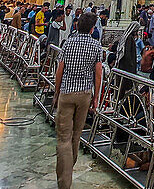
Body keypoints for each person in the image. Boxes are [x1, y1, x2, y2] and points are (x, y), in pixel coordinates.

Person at [54, 12, 103, 189]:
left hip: (67, 93)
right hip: (84, 94)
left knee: (63, 138)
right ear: (92, 29)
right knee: (76, 135)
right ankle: (69, 168)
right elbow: (98, 73)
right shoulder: (96, 45)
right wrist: (96, 97)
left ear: (76, 26)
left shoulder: (68, 43)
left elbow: (60, 69)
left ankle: (64, 180)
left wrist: (57, 90)